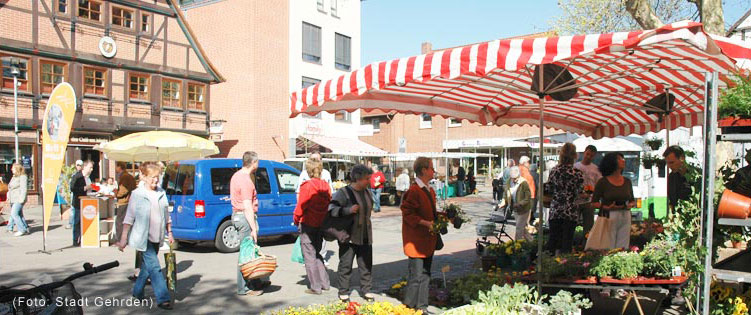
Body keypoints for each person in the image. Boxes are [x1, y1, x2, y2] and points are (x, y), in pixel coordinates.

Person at [116, 163, 173, 310]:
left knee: (147, 268)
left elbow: (166, 215)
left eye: (157, 177)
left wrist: (170, 232)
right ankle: (163, 298)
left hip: (157, 236)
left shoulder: (161, 193)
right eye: (153, 177)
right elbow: (128, 218)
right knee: (155, 267)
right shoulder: (137, 194)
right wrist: (123, 239)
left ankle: (137, 292)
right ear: (145, 177)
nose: (156, 180)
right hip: (143, 237)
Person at [330, 164, 375, 303]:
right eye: (367, 178)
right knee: (346, 264)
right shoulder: (343, 192)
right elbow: (331, 208)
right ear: (358, 178)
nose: (369, 181)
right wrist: (348, 210)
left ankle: (366, 290)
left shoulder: (367, 192)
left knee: (366, 264)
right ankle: (343, 292)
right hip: (348, 235)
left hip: (366, 234)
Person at [400, 157, 440, 313]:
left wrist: (447, 216)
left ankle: (422, 307)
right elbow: (407, 214)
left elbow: (431, 212)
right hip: (416, 241)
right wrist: (426, 223)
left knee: (425, 275)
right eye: (431, 168)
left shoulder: (429, 189)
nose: (433, 171)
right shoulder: (414, 190)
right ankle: (408, 308)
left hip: (427, 240)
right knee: (416, 276)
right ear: (424, 170)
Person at [231, 151, 271, 296]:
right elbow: (247, 206)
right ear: (254, 163)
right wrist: (253, 228)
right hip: (244, 217)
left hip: (238, 215)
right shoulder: (246, 181)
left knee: (250, 251)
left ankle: (256, 281)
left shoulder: (237, 176)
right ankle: (244, 288)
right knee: (246, 253)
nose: (258, 165)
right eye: (257, 162)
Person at [293, 158, 332, 295]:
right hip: (321, 224)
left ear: (308, 171)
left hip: (308, 223)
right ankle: (325, 283)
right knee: (317, 253)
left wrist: (296, 220)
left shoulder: (307, 186)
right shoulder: (325, 186)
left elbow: (301, 207)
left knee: (309, 255)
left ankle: (315, 287)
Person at [545, 143, 584, 254]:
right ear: (574, 155)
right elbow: (580, 191)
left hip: (556, 210)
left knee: (553, 240)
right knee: (567, 242)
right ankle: (564, 264)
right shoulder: (577, 173)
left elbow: (549, 189)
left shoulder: (554, 171)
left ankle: (549, 263)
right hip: (570, 211)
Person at [592, 152, 636, 249]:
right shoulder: (603, 182)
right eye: (619, 159)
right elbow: (594, 202)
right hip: (609, 215)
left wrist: (630, 205)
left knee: (623, 244)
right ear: (612, 162)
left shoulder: (627, 181)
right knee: (608, 244)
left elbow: (632, 200)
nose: (623, 160)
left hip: (625, 214)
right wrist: (605, 207)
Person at [574, 145, 601, 236]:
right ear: (584, 152)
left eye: (591, 155)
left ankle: (586, 245)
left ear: (594, 156)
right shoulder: (575, 167)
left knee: (588, 227)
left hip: (589, 202)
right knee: (572, 224)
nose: (588, 157)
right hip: (576, 201)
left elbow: (598, 185)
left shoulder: (596, 169)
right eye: (587, 154)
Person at [500, 166, 533, 242]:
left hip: (524, 209)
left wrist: (520, 204)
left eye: (515, 178)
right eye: (512, 178)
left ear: (519, 175)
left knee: (518, 228)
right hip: (515, 209)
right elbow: (506, 194)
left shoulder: (523, 182)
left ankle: (517, 246)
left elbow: (528, 197)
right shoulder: (509, 181)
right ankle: (531, 242)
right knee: (522, 228)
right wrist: (503, 202)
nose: (514, 180)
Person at [70, 160, 94, 246]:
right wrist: (85, 188)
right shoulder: (77, 176)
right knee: (77, 221)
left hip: (88, 202)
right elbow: (72, 188)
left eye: (92, 168)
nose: (91, 169)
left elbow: (89, 188)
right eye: (90, 167)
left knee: (85, 221)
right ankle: (75, 240)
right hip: (78, 202)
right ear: (85, 167)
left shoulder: (88, 177)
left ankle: (85, 238)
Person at [663, 146, 692, 215]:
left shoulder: (694, 176)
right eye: (667, 163)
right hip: (677, 218)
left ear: (682, 159)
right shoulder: (671, 177)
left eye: (671, 162)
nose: (669, 166)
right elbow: (671, 200)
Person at [115, 162, 137, 244]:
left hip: (124, 201)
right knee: (128, 221)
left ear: (119, 167)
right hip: (130, 200)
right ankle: (128, 238)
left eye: (116, 167)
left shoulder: (124, 176)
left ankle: (120, 239)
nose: (115, 169)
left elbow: (123, 190)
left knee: (120, 221)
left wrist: (116, 194)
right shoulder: (129, 175)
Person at [6, 164, 29, 236]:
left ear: (17, 169)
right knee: (19, 214)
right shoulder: (14, 177)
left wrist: (21, 199)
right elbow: (10, 188)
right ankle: (25, 228)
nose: (11, 169)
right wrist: (8, 196)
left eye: (13, 168)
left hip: (18, 199)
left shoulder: (22, 177)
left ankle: (21, 230)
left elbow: (23, 188)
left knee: (14, 213)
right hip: (13, 198)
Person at [66, 160, 84, 230]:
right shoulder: (74, 175)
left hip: (81, 195)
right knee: (73, 209)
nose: (79, 166)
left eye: (80, 165)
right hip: (75, 195)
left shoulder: (84, 175)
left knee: (76, 210)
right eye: (78, 165)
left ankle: (76, 223)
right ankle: (71, 223)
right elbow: (72, 187)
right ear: (76, 166)